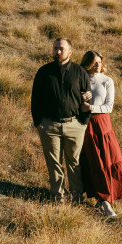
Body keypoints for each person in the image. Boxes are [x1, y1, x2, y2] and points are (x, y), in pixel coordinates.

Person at [30, 38, 92, 201]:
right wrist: (39, 123)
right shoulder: (44, 72)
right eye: (55, 48)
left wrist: (84, 122)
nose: (57, 52)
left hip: (74, 124)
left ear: (70, 52)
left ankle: (77, 196)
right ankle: (58, 195)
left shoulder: (80, 72)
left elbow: (87, 97)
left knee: (75, 162)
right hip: (49, 125)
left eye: (61, 49)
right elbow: (35, 98)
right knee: (54, 162)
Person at [78, 50, 122, 218]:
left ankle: (108, 197)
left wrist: (91, 107)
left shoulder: (107, 81)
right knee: (94, 160)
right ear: (87, 63)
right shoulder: (80, 79)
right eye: (94, 62)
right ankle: (102, 200)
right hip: (86, 124)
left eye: (99, 62)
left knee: (109, 158)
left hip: (102, 124)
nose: (97, 65)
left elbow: (109, 106)